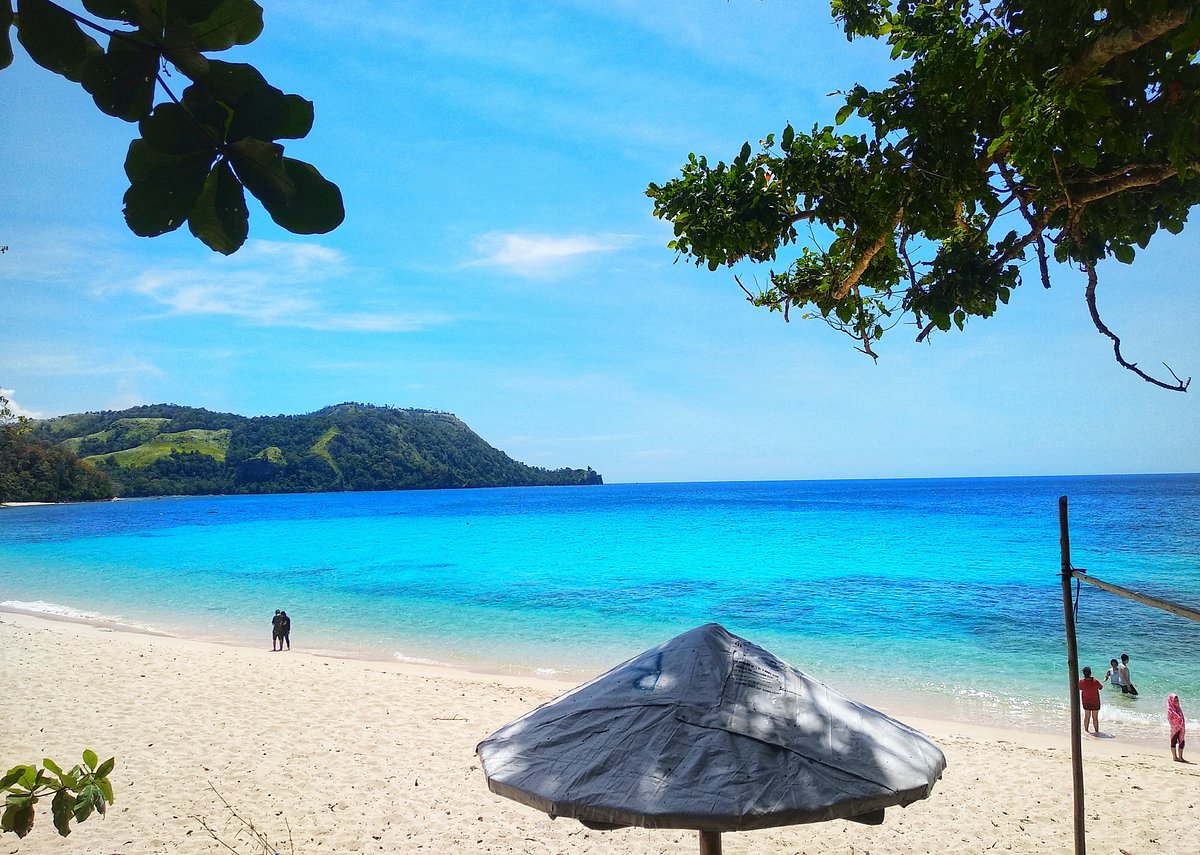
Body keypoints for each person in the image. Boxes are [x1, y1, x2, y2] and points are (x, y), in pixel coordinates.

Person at [1079, 666, 1103, 734]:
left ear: (1083, 674)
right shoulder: (1095, 681)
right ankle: (1096, 731)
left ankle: (1086, 731)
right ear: (1090, 673)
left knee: (1087, 717)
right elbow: (1101, 687)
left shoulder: (1081, 682)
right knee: (1095, 717)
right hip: (1095, 702)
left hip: (1086, 701)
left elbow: (1080, 688)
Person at [1168, 692, 1186, 762]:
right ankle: (1175, 757)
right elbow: (1170, 719)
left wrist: (1182, 725)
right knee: (1173, 741)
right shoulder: (1170, 710)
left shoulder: (1179, 709)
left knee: (1182, 742)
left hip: (1181, 728)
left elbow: (1182, 718)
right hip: (1174, 729)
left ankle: (1181, 757)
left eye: (1177, 700)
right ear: (1171, 701)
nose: (1176, 702)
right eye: (1174, 700)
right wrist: (1176, 722)